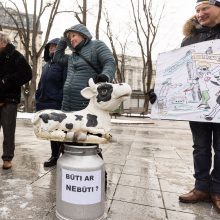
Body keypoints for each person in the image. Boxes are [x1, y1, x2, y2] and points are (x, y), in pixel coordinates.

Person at [149, 0, 220, 212]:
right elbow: (175, 69)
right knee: (200, 147)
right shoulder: (190, 39)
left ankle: (217, 190)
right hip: (197, 104)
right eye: (197, 10)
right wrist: (158, 90)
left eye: (204, 8)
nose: (199, 14)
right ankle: (201, 188)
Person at [54, 24, 116, 190]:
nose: (72, 40)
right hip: (67, 104)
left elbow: (110, 62)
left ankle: (98, 178)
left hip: (86, 104)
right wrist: (63, 38)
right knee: (67, 141)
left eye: (74, 36)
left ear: (83, 35)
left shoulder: (97, 46)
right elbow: (57, 58)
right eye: (70, 37)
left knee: (88, 141)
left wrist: (105, 76)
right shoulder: (73, 56)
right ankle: (69, 178)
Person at [0, 31, 32, 169]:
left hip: (9, 100)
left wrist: (7, 81)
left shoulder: (16, 56)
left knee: (8, 130)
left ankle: (7, 159)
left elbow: (27, 74)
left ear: (3, 42)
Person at [35, 38, 67, 167]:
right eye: (50, 47)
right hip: (44, 101)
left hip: (56, 102)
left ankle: (59, 155)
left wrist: (59, 98)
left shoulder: (63, 64)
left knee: (59, 130)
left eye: (55, 46)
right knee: (51, 131)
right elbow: (42, 82)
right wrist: (38, 95)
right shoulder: (46, 64)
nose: (52, 48)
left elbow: (65, 83)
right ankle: (54, 154)